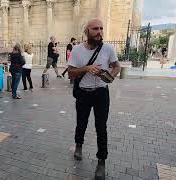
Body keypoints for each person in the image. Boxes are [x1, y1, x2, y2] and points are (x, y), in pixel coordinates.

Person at [68, 18, 121, 179]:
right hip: (83, 93)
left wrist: (109, 77)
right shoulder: (77, 50)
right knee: (81, 123)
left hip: (101, 94)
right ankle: (78, 145)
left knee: (101, 128)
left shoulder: (108, 48)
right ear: (87, 32)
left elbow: (117, 66)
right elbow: (70, 72)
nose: (99, 32)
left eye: (101, 29)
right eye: (95, 29)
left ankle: (101, 162)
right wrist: (86, 68)